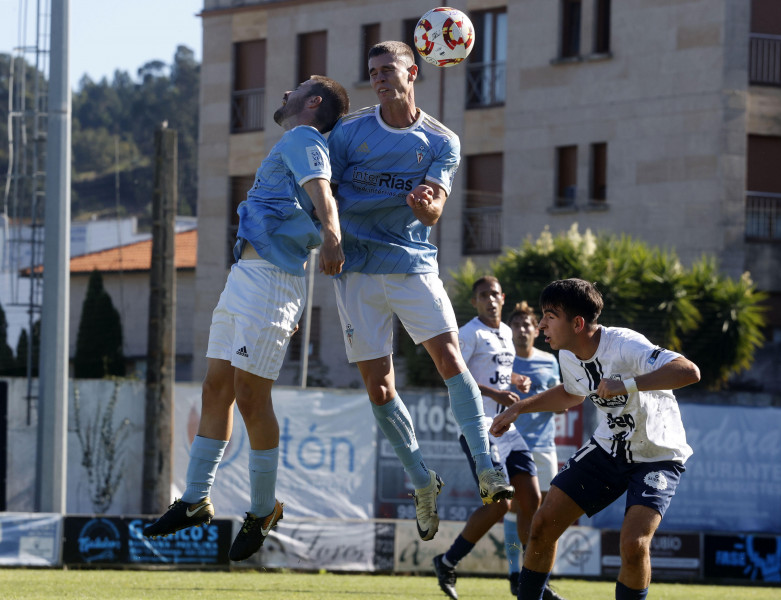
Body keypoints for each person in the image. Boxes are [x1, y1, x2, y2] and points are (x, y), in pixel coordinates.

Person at [143, 76, 350, 562]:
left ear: (312, 103)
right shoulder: (294, 141)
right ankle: (194, 500)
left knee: (250, 397)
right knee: (216, 389)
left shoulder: (304, 138)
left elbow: (322, 189)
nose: (284, 94)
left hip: (271, 281)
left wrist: (332, 234)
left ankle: (262, 510)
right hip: (245, 277)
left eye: (296, 89)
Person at [327, 41, 513, 542]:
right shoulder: (348, 132)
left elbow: (434, 214)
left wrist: (424, 205)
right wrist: (330, 237)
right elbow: (329, 196)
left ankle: (486, 466)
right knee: (379, 387)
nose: (380, 78)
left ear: (415, 73)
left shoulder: (441, 141)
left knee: (450, 359)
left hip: (411, 265)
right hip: (357, 270)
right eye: (373, 72)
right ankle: (421, 480)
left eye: (389, 70)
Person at [491, 278, 701, 600]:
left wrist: (627, 384)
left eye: (549, 315)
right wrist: (520, 407)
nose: (541, 324)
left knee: (633, 545)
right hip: (609, 449)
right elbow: (572, 394)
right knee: (543, 523)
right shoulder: (568, 354)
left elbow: (688, 371)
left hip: (657, 455)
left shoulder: (625, 344)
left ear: (577, 323)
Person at [432, 278, 563, 600]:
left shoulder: (505, 331)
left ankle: (530, 582)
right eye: (483, 296)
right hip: (477, 427)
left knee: (531, 500)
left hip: (506, 426)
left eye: (494, 294)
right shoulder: (468, 333)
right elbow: (453, 376)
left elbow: (497, 373)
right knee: (501, 504)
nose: (490, 300)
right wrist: (495, 392)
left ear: (503, 298)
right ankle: (447, 561)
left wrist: (514, 379)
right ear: (475, 302)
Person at [502, 301, 563, 596]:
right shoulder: (503, 361)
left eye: (528, 325)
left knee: (546, 511)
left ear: (536, 331)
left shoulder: (549, 361)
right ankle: (517, 572)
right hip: (512, 446)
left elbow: (560, 396)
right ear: (509, 330)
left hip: (544, 444)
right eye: (517, 325)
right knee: (516, 509)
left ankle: (538, 575)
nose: (523, 329)